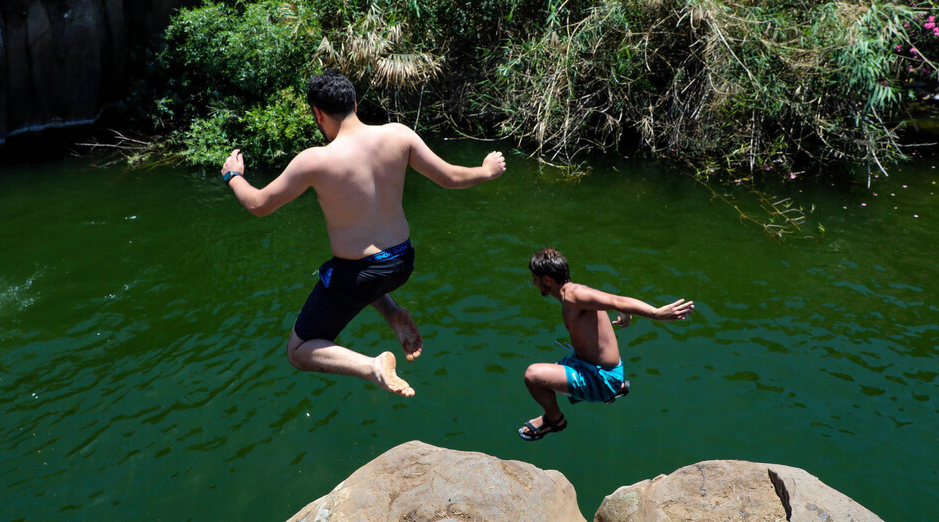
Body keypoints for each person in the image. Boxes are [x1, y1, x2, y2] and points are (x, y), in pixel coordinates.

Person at [220, 69, 506, 397]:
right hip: (401, 262)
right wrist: (486, 171)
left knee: (299, 351)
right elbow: (450, 178)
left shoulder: (315, 160)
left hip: (360, 274)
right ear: (355, 104)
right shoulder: (399, 135)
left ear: (318, 113)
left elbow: (258, 205)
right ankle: (394, 315)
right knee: (357, 275)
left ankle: (372, 366)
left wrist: (233, 176)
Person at [518, 247, 694, 440]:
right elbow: (612, 302)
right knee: (551, 372)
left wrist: (656, 313)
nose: (533, 283)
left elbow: (617, 299)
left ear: (547, 280)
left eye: (534, 278)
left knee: (533, 376)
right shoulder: (578, 291)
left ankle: (554, 420)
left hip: (600, 377)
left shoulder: (573, 296)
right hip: (588, 363)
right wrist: (625, 312)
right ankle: (615, 389)